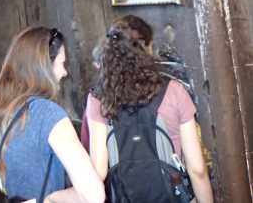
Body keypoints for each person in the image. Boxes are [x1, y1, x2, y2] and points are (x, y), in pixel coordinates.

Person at [0, 26, 105, 203]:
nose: (64, 73)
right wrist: (51, 199)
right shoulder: (49, 115)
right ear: (44, 68)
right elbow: (94, 194)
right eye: (61, 64)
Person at [86, 15, 213, 203]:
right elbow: (197, 170)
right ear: (146, 48)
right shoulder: (174, 91)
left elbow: (98, 170)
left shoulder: (98, 99)